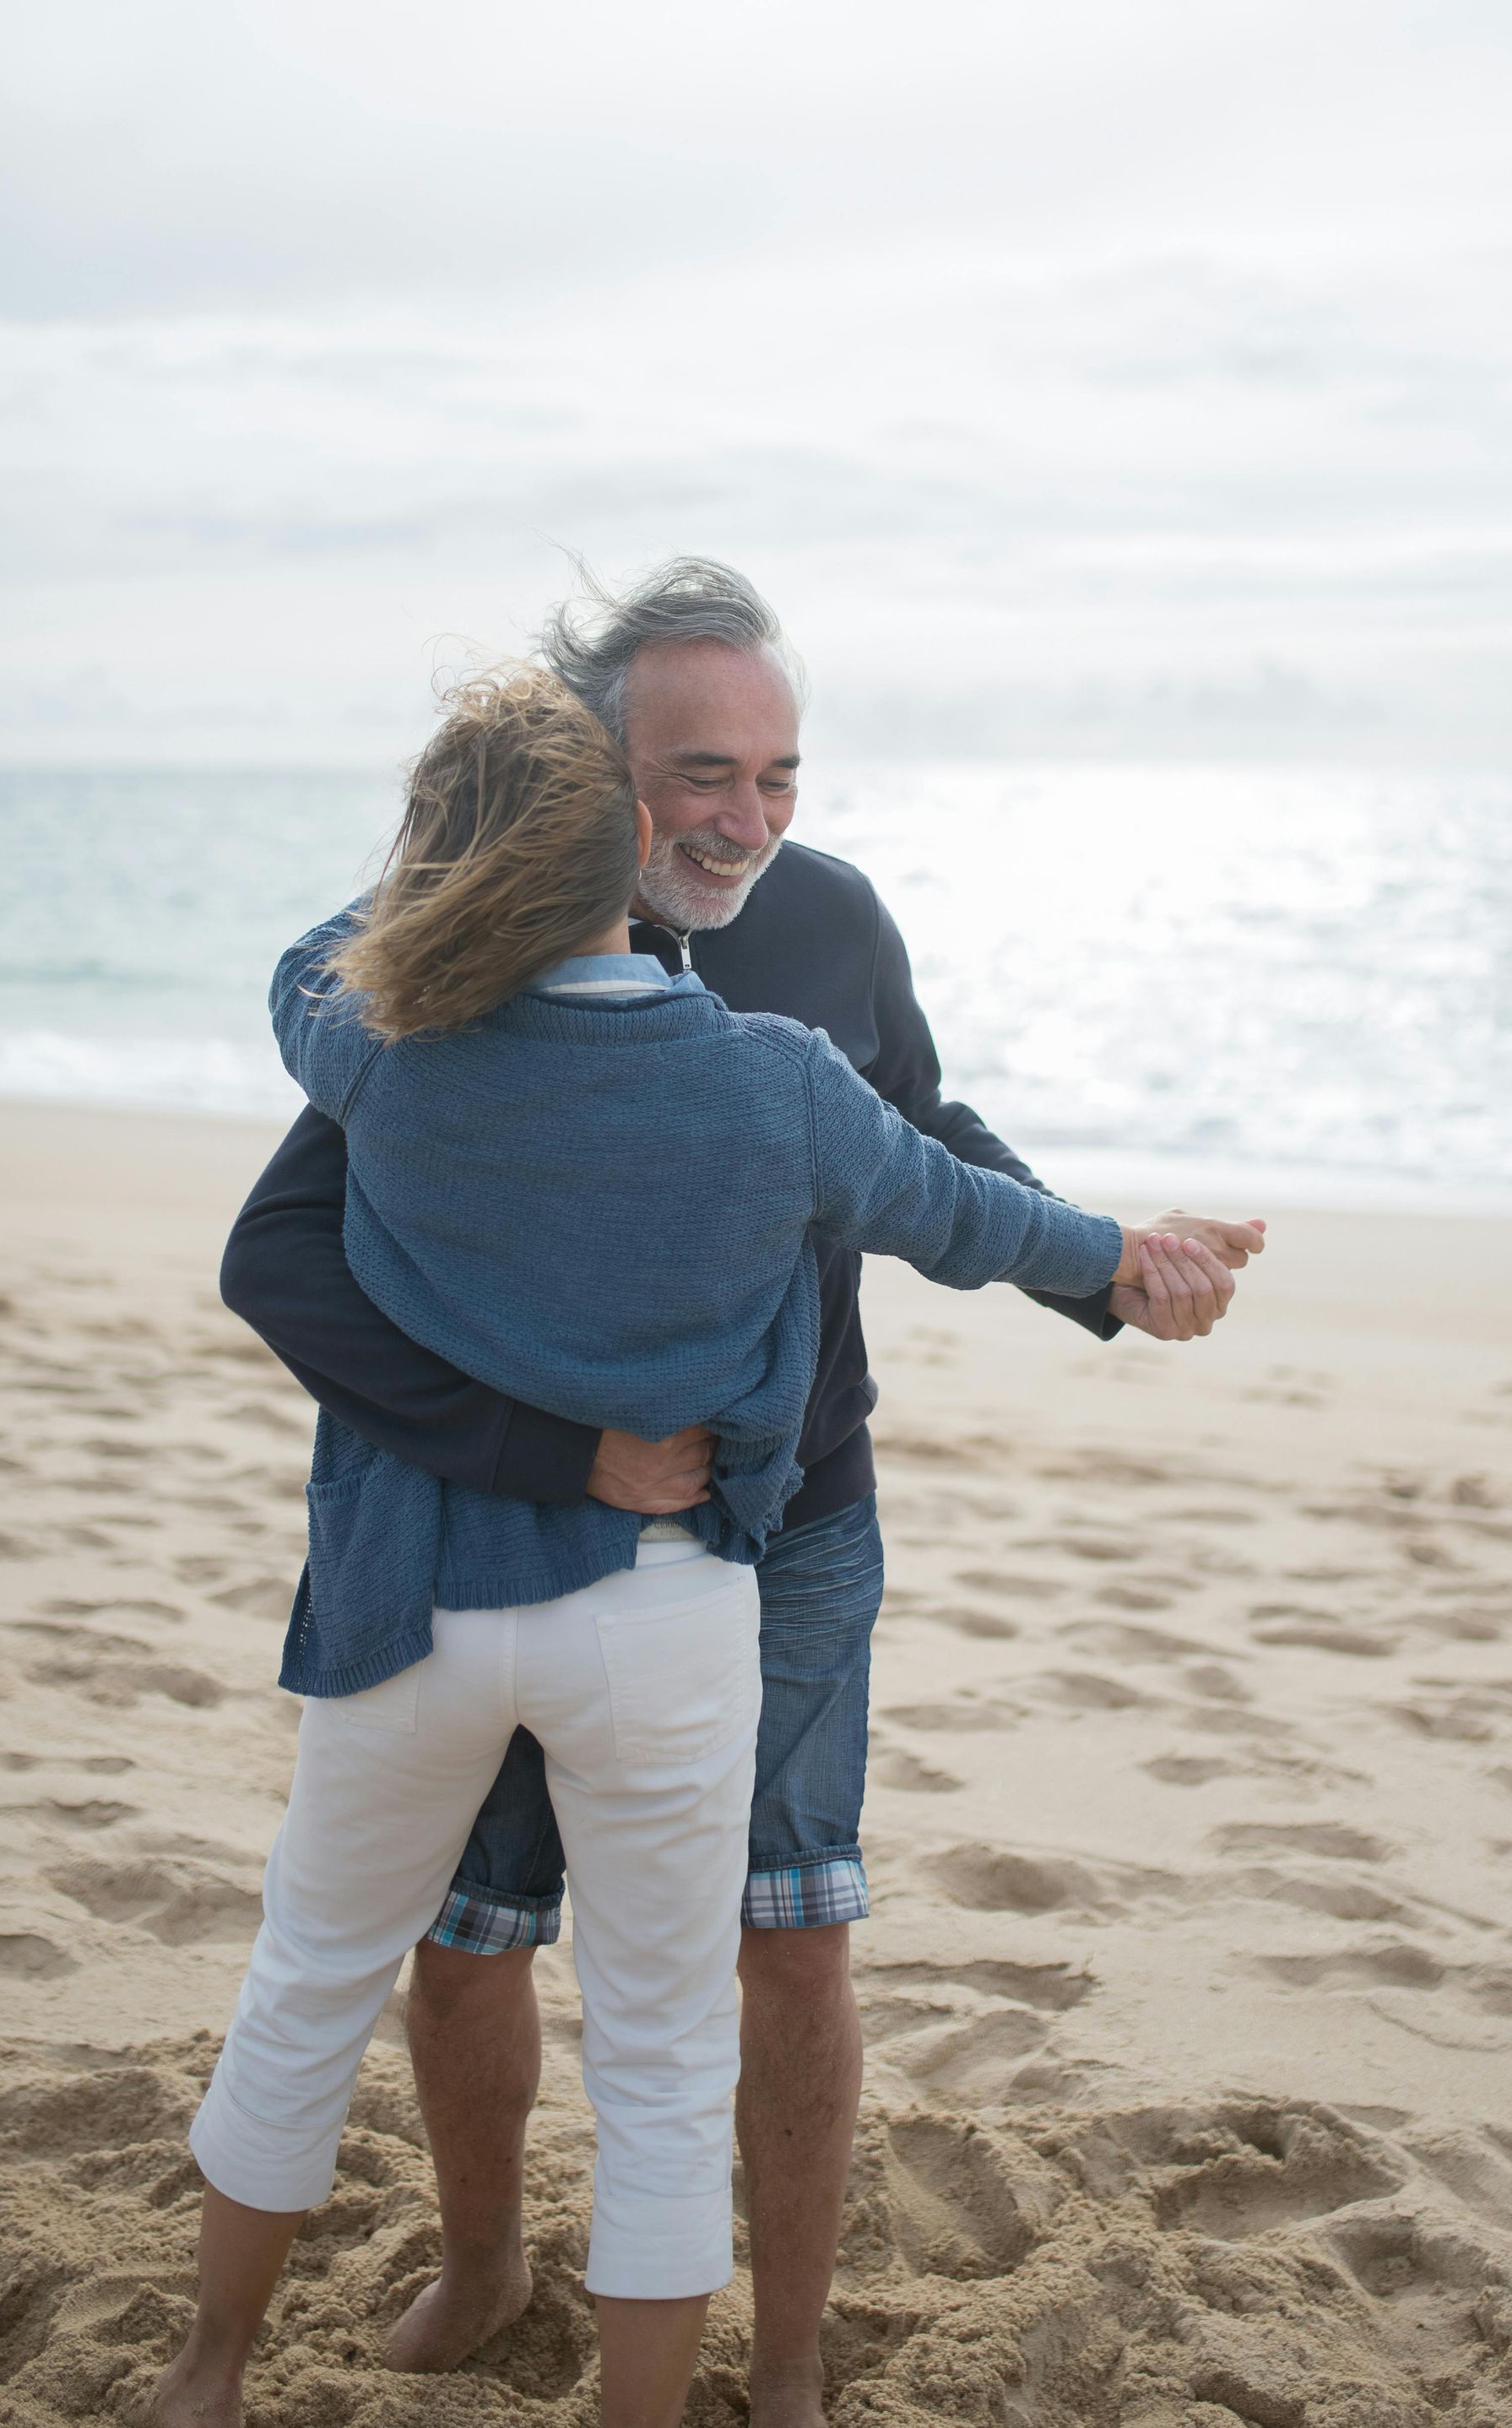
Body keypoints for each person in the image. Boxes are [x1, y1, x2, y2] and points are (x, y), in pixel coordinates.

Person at [219, 561, 1265, 2426]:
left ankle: (782, 2364)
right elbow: (290, 1260)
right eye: (702, 771)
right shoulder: (439, 961)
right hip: (491, 1528)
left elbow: (929, 1157)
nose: (748, 819)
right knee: (467, 1948)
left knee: (789, 1938)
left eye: (781, 774)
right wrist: (543, 1458)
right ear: (582, 766)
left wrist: (1110, 1267)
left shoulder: (831, 930)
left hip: (780, 1525)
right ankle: (480, 2261)